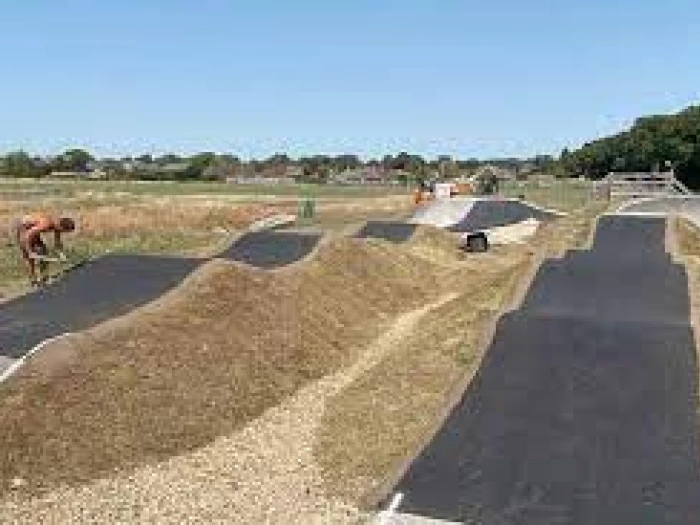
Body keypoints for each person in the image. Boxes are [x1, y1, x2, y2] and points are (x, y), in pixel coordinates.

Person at [12, 213, 75, 286]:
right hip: (23, 229)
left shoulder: (57, 225)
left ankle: (44, 277)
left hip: (31, 229)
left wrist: (61, 255)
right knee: (29, 258)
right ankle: (33, 281)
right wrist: (30, 252)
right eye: (64, 231)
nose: (62, 233)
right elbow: (28, 235)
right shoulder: (46, 224)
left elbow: (57, 243)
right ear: (61, 227)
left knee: (42, 251)